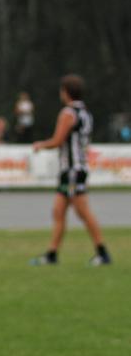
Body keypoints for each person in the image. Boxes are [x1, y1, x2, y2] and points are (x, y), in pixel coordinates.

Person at [30, 74, 112, 267]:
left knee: (83, 212)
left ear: (65, 92)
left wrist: (41, 145)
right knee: (58, 211)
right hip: (74, 169)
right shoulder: (85, 112)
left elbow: (58, 141)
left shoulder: (68, 113)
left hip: (73, 169)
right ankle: (52, 254)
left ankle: (102, 253)